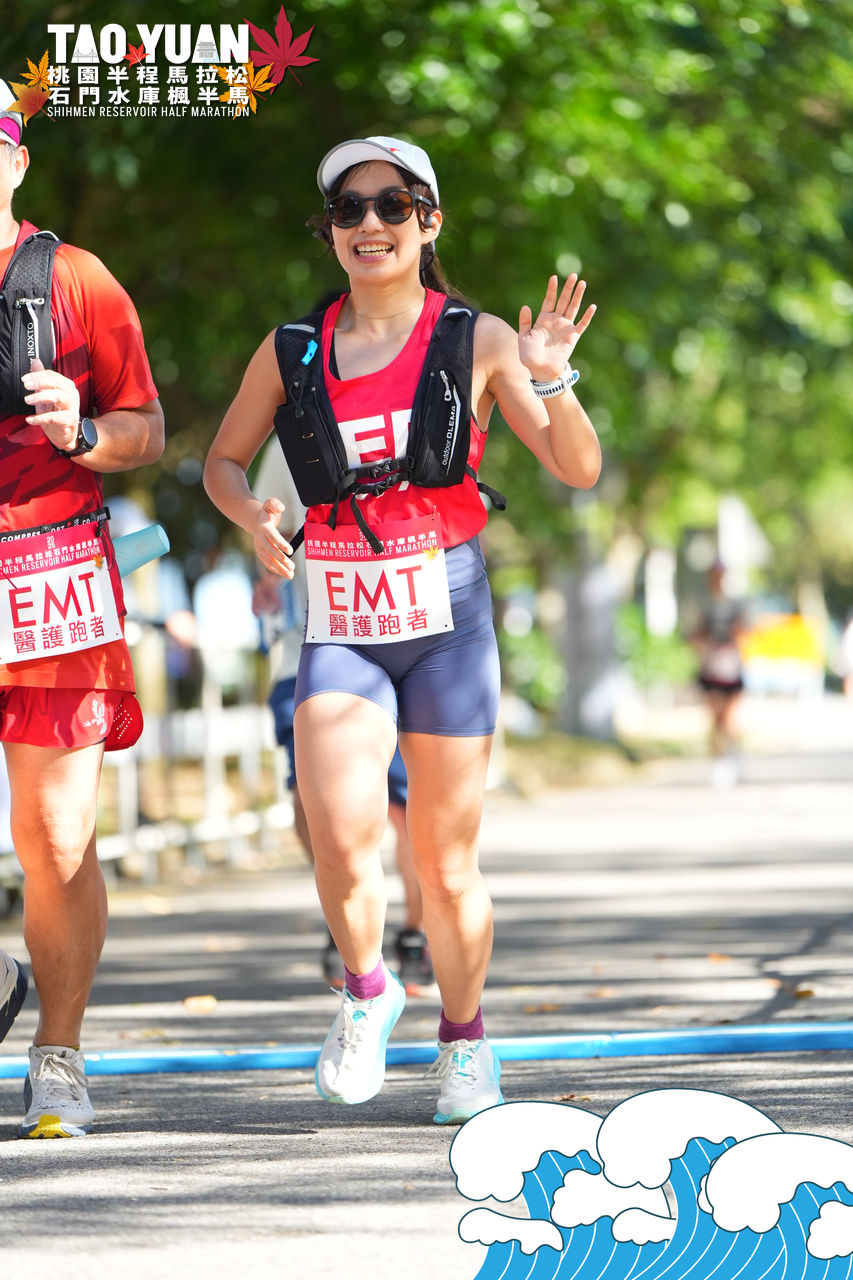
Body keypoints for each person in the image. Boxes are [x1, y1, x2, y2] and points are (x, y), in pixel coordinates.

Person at [204, 134, 600, 1124]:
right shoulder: (292, 348)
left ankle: (464, 1041)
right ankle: (367, 989)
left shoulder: (477, 340)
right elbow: (222, 460)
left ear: (428, 224)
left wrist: (551, 377)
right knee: (339, 838)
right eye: (349, 209)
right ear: (330, 232)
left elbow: (576, 468)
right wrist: (252, 517)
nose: (370, 224)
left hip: (446, 617)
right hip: (339, 613)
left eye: (392, 206)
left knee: (443, 860)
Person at [0, 87, 164, 1136]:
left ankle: (57, 1053)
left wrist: (84, 431)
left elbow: (147, 428)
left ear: (14, 162)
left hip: (48, 571)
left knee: (57, 836)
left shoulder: (76, 279)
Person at [251, 438, 434, 993]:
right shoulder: (291, 432)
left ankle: (415, 932)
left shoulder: (421, 409)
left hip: (406, 635)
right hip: (308, 644)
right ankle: (349, 922)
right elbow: (267, 524)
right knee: (313, 805)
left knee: (408, 805)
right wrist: (268, 575)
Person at [691, 560, 747, 787]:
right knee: (715, 718)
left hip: (732, 668)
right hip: (711, 668)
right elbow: (693, 636)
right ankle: (718, 761)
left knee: (731, 719)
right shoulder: (703, 605)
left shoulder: (736, 605)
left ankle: (734, 756)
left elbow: (746, 633)